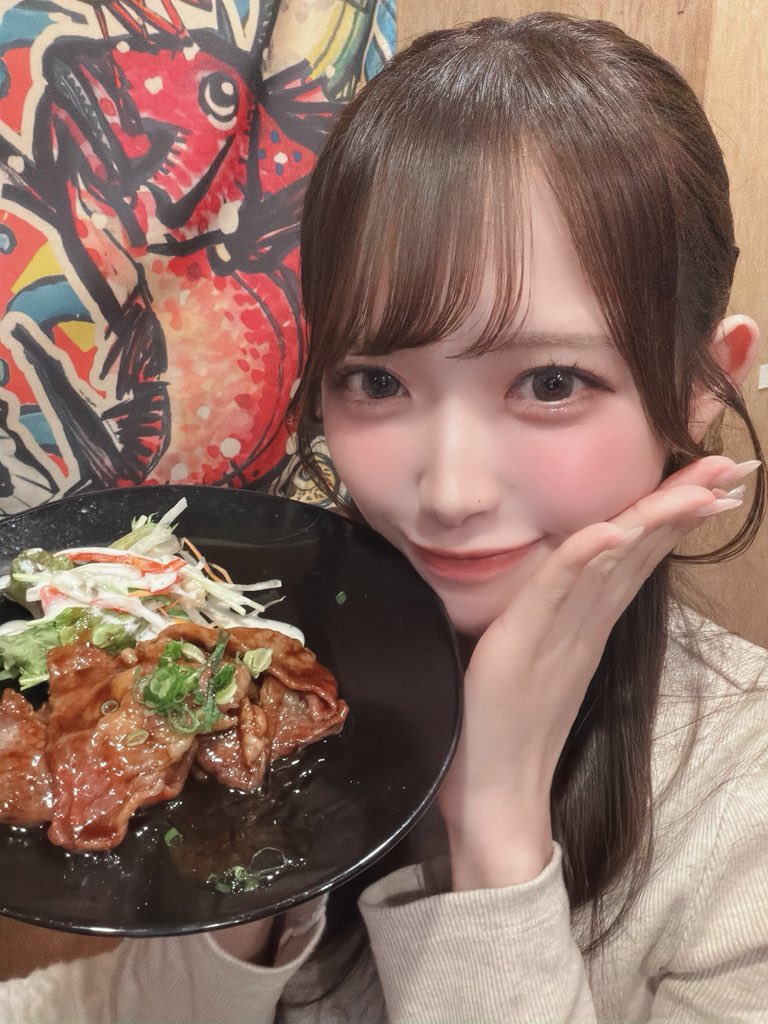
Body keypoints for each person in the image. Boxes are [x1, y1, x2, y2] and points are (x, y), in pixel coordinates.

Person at [1, 12, 767, 1022]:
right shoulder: (269, 676)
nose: (448, 493)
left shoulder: (743, 804)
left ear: (704, 384)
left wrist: (494, 824)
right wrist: (239, 858)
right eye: (375, 379)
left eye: (550, 381)